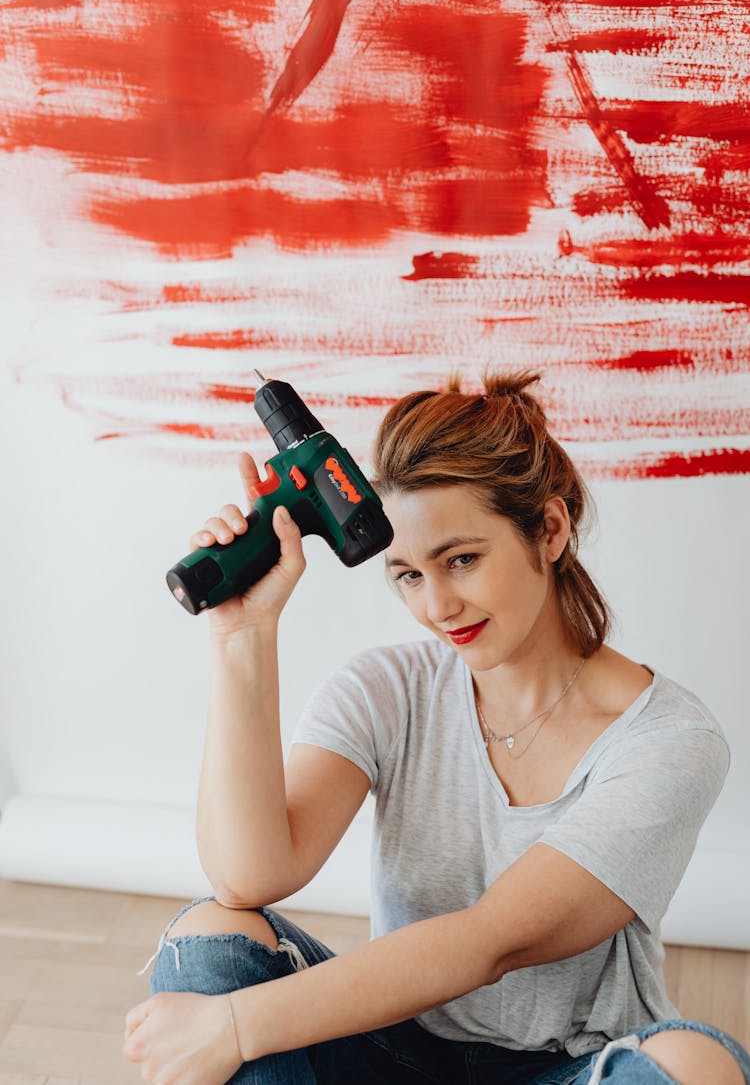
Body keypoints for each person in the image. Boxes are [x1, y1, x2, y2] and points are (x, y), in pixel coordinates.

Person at [123, 371, 750, 1085]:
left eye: (461, 559)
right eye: (408, 575)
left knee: (695, 1065)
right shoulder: (389, 688)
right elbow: (250, 874)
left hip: (564, 1068)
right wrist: (241, 634)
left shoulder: (669, 741)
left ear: (549, 530)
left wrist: (235, 1027)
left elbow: (491, 942)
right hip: (394, 1051)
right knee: (210, 934)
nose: (438, 605)